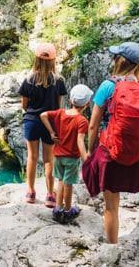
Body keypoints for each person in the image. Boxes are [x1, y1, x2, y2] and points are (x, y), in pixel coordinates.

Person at [82, 42, 139, 245]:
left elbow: (93, 125)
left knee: (111, 206)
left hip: (111, 153)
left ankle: (112, 249)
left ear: (119, 60)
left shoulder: (108, 86)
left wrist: (90, 151)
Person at [18, 42, 67, 207]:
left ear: (36, 60)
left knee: (32, 157)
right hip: (50, 124)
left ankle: (30, 192)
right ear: (53, 61)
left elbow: (24, 105)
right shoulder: (58, 81)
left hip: (31, 121)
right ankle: (50, 195)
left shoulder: (29, 79)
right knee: (48, 159)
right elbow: (58, 106)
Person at [40, 84, 93, 223]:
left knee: (61, 181)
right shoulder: (82, 121)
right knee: (68, 184)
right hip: (71, 158)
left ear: (70, 101)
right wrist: (86, 159)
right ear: (87, 104)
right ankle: (68, 211)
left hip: (58, 156)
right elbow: (80, 141)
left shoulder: (60, 113)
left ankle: (58, 209)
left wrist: (52, 132)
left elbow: (43, 115)